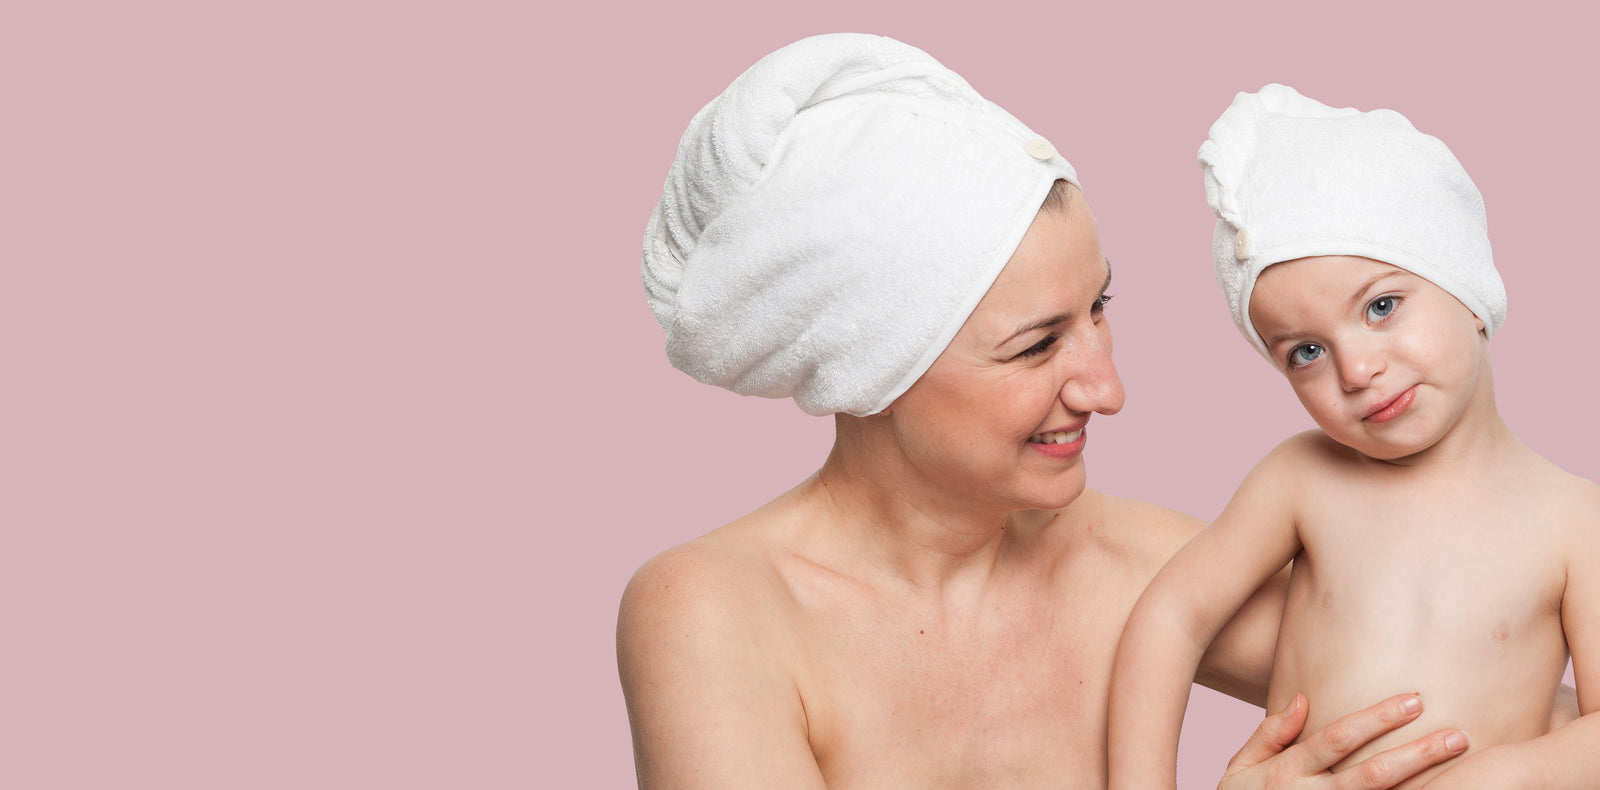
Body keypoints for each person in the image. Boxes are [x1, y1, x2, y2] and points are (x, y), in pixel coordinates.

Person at [621, 37, 1562, 789]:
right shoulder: (716, 614)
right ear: (872, 372)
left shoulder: (1136, 566)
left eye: (1099, 309)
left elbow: (1481, 700)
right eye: (1036, 347)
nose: (1107, 390)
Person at [1108, 84, 1600, 790]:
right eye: (1306, 352)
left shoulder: (1576, 522)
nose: (1357, 370)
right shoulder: (1301, 477)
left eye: (1381, 306)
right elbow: (1168, 619)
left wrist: (1501, 775)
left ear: (1468, 287)